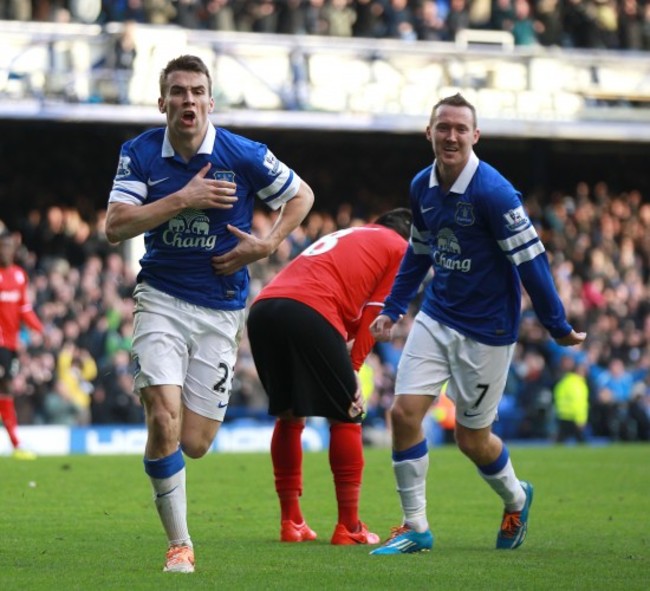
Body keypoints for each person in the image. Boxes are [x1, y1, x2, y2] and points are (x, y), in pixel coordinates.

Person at [104, 54, 314, 574]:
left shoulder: (241, 153)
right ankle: (180, 544)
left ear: (210, 100)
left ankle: (171, 469)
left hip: (221, 308)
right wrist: (183, 198)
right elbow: (116, 225)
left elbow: (301, 195)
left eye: (197, 91)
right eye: (178, 92)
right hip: (161, 297)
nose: (188, 100)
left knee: (194, 442)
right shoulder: (140, 153)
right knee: (163, 414)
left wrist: (265, 245)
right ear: (163, 103)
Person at [368, 93, 586, 555]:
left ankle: (516, 497)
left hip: (487, 331)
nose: (450, 136)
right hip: (437, 315)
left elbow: (531, 261)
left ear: (475, 136)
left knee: (471, 439)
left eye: (460, 129)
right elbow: (419, 251)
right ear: (428, 132)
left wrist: (555, 323)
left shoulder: (494, 192)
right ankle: (415, 527)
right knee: (403, 414)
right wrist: (393, 306)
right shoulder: (421, 186)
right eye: (442, 127)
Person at [246, 208, 412, 546]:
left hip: (264, 309)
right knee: (347, 416)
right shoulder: (400, 248)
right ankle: (349, 527)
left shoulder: (352, 237)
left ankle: (291, 522)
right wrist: (352, 370)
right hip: (309, 308)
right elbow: (373, 315)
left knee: (290, 416)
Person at [0, 229, 43, 459]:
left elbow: (24, 309)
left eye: (9, 247)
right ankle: (15, 442)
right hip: (1, 343)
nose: (5, 251)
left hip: (10, 345)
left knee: (6, 389)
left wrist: (40, 330)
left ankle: (16, 444)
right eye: (2, 247)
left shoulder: (18, 275)